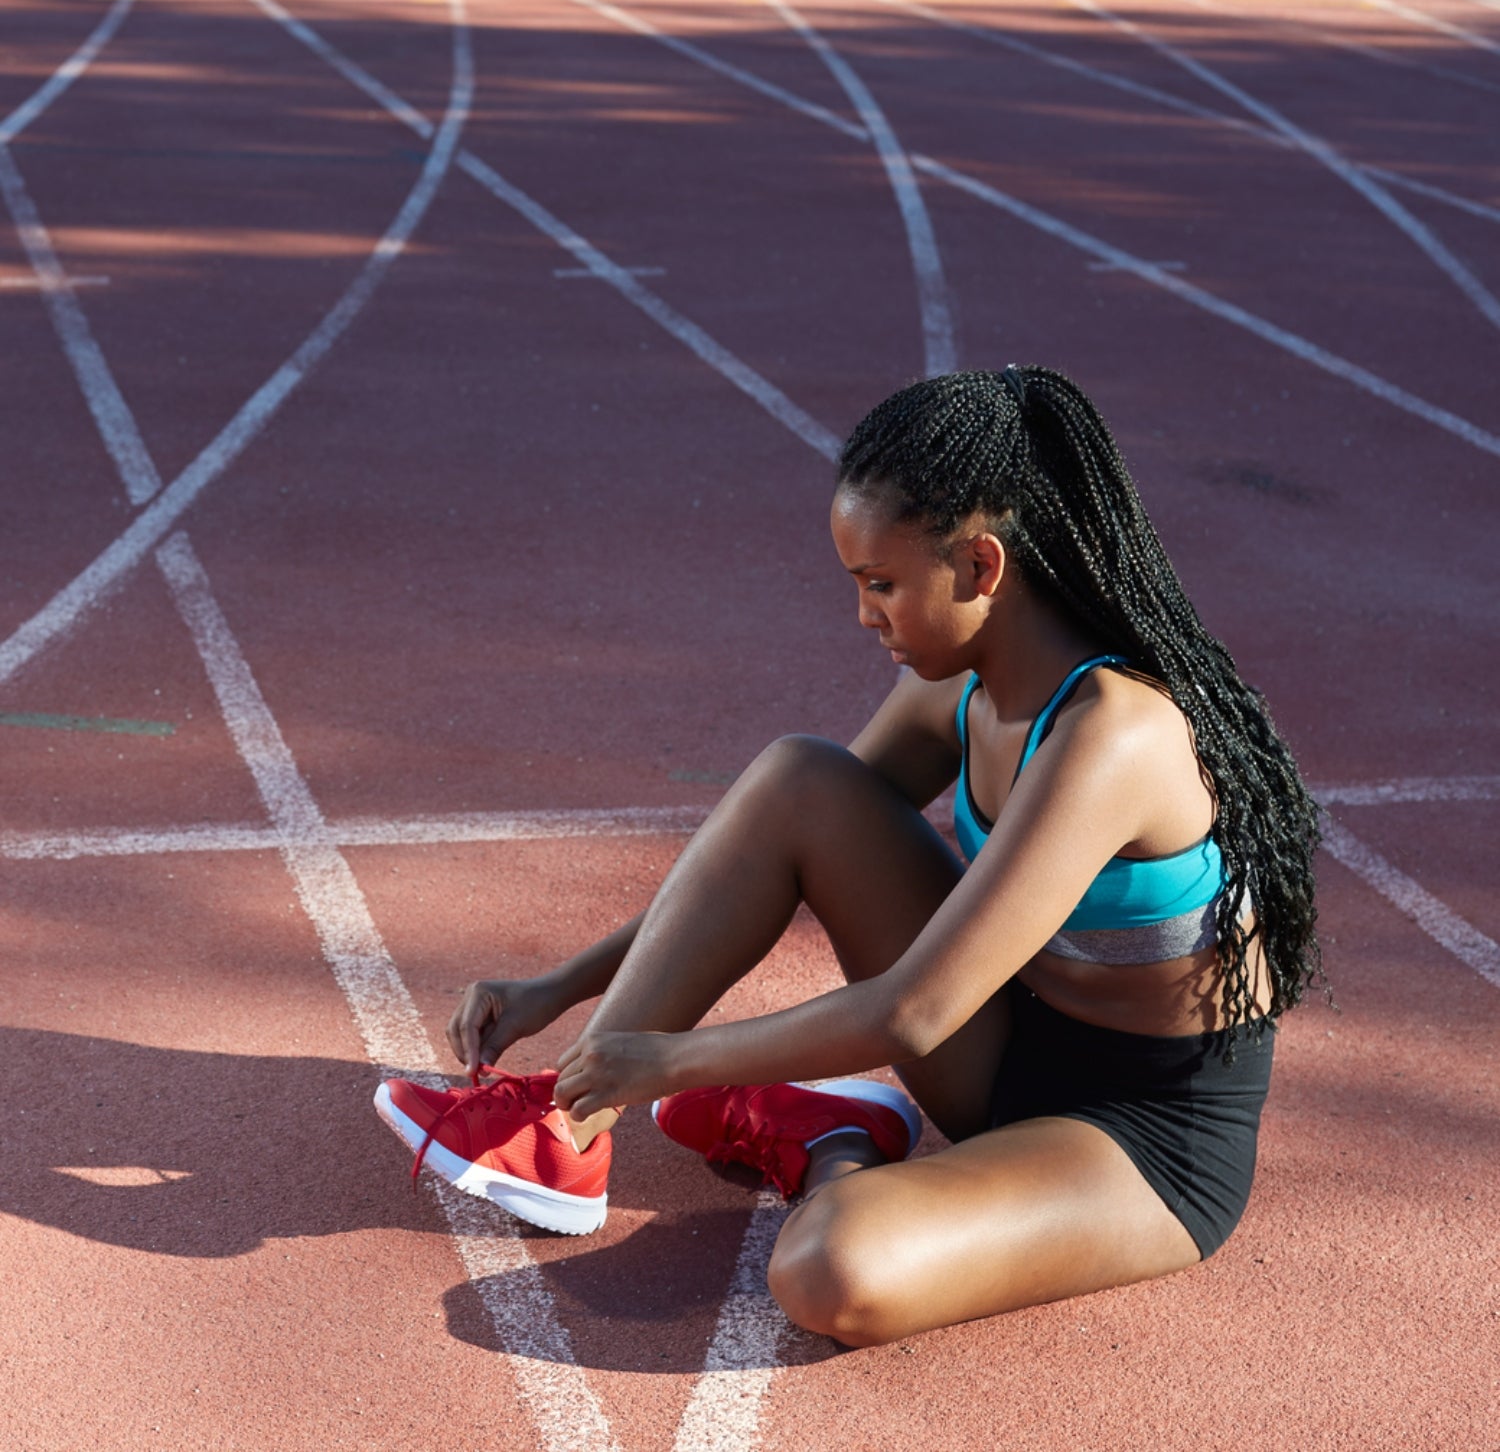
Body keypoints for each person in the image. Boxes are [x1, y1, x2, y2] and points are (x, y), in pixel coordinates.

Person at [375, 365, 1324, 1347]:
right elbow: (763, 848)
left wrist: (664, 1062)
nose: (865, 614)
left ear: (982, 568)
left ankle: (827, 1135)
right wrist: (560, 990)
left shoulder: (1113, 734)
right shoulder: (957, 687)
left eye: (882, 584)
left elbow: (914, 1010)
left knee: (830, 1271)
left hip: (1143, 1136)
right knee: (800, 778)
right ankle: (561, 1130)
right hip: (1005, 1049)